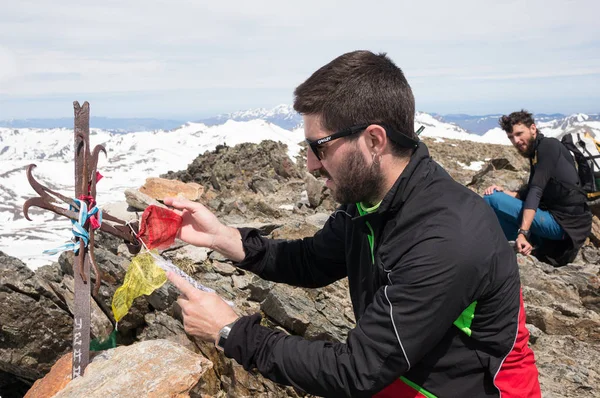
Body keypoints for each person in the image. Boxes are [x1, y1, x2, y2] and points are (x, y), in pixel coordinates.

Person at [165, 51, 541, 397]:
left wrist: (231, 332)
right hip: (406, 371)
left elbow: (357, 371)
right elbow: (313, 260)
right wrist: (225, 238)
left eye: (320, 146)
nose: (311, 164)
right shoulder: (371, 201)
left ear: (374, 140)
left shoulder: (446, 237)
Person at [483, 110, 592, 266]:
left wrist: (523, 233)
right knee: (496, 196)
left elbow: (536, 190)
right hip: (563, 223)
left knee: (490, 199)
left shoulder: (548, 146)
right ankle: (522, 246)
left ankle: (517, 245)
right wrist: (507, 193)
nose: (516, 141)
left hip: (564, 226)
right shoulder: (536, 152)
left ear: (533, 128)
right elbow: (534, 189)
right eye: (511, 137)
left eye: (519, 134)